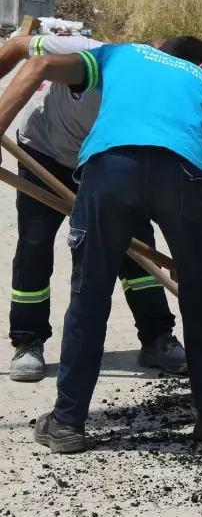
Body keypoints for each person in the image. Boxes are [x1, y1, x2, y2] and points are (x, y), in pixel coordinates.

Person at [0, 37, 202, 453]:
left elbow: (39, 66)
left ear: (160, 48)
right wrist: (194, 250)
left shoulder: (120, 53)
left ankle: (67, 423)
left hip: (111, 168)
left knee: (90, 294)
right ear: (198, 62)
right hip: (186, 174)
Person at [0, 33, 187, 382]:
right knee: (35, 245)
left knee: (138, 250)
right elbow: (24, 55)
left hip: (105, 163)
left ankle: (157, 337)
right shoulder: (86, 53)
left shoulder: (172, 92)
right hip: (46, 153)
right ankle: (28, 340)